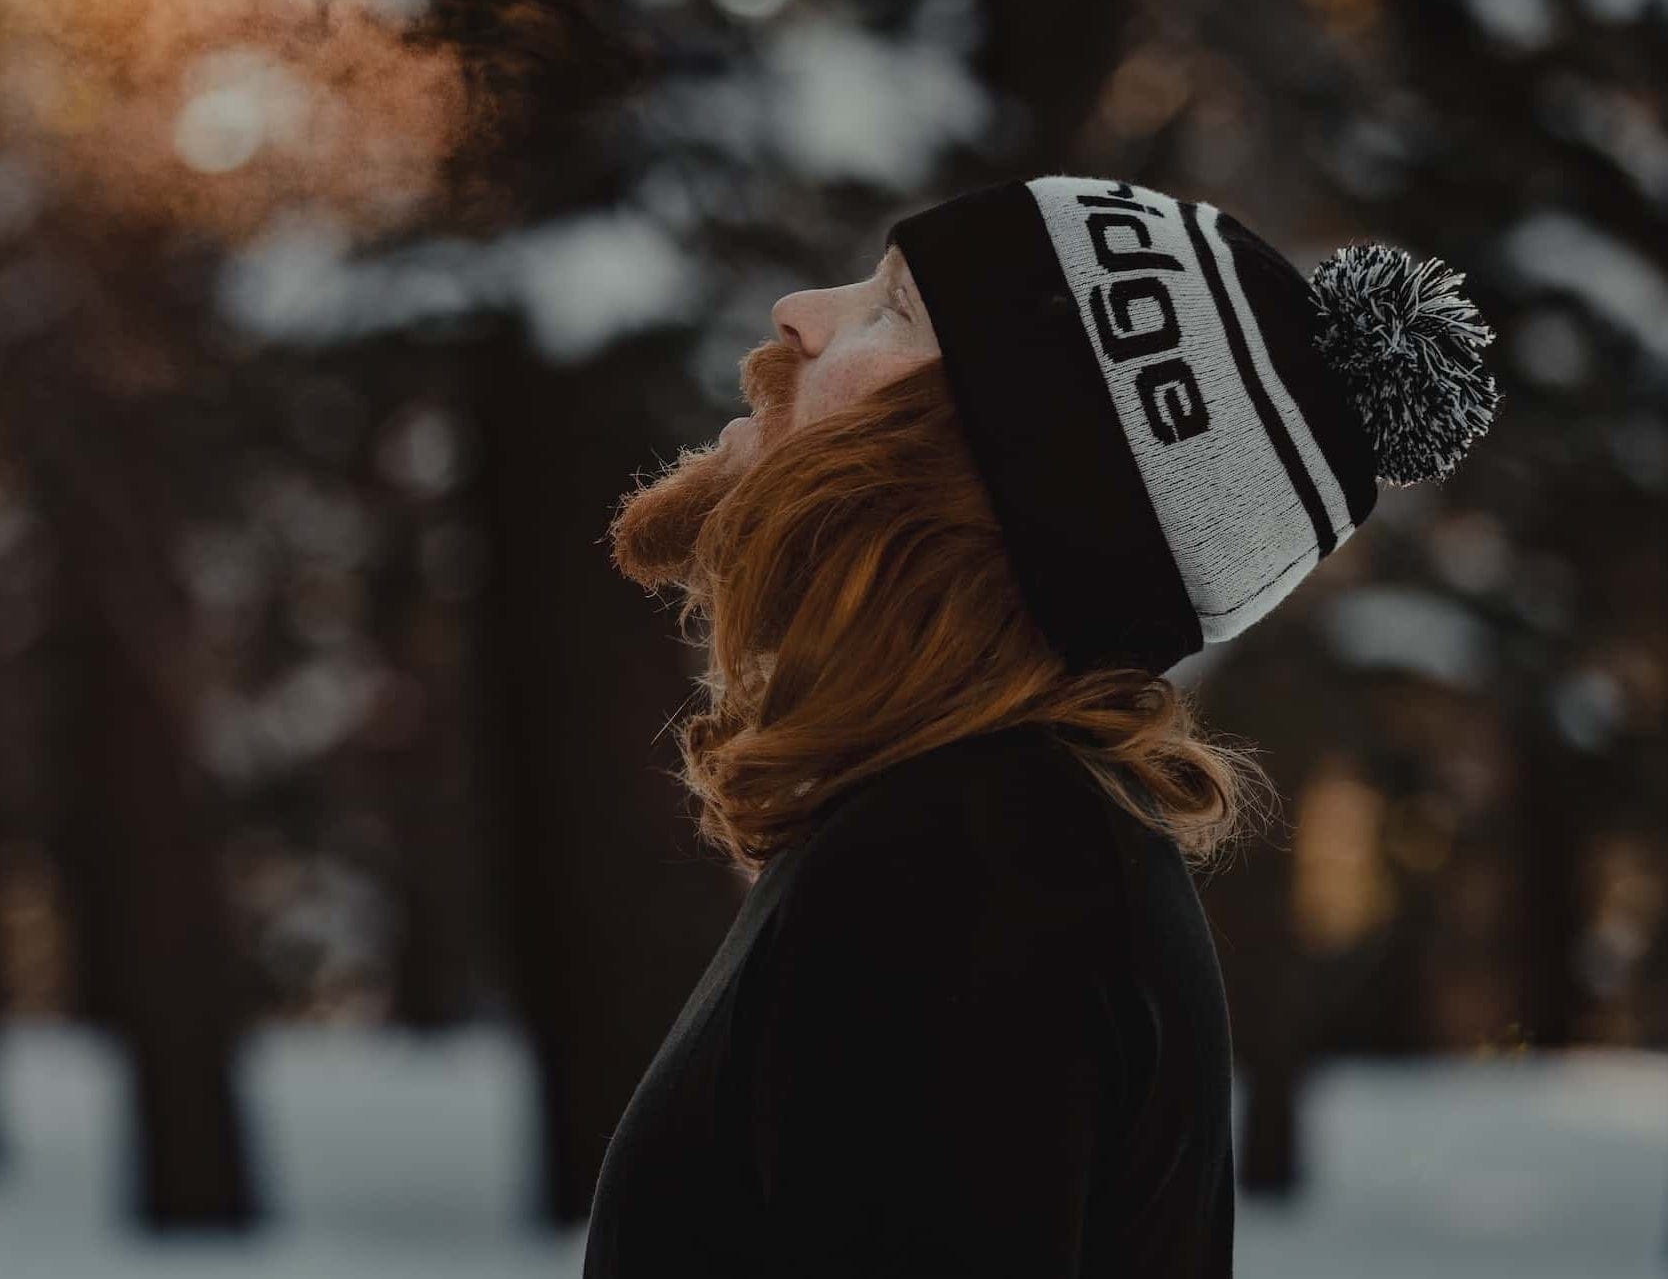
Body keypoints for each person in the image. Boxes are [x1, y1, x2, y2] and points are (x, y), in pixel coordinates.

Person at [592, 174, 1501, 1277]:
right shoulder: (984, 842)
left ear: (994, 485)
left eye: (899, 311)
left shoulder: (967, 876)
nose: (801, 311)